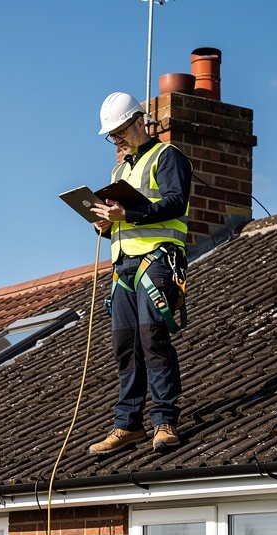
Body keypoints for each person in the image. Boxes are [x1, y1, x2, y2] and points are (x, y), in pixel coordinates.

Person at [87, 91, 191, 455]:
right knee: (125, 347)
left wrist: (127, 216)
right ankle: (127, 425)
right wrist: (106, 224)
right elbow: (124, 216)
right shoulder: (119, 170)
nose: (116, 140)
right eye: (111, 136)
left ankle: (164, 420)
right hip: (124, 267)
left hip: (157, 261)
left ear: (137, 122)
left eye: (118, 132)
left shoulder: (168, 157)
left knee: (153, 339)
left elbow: (175, 201)